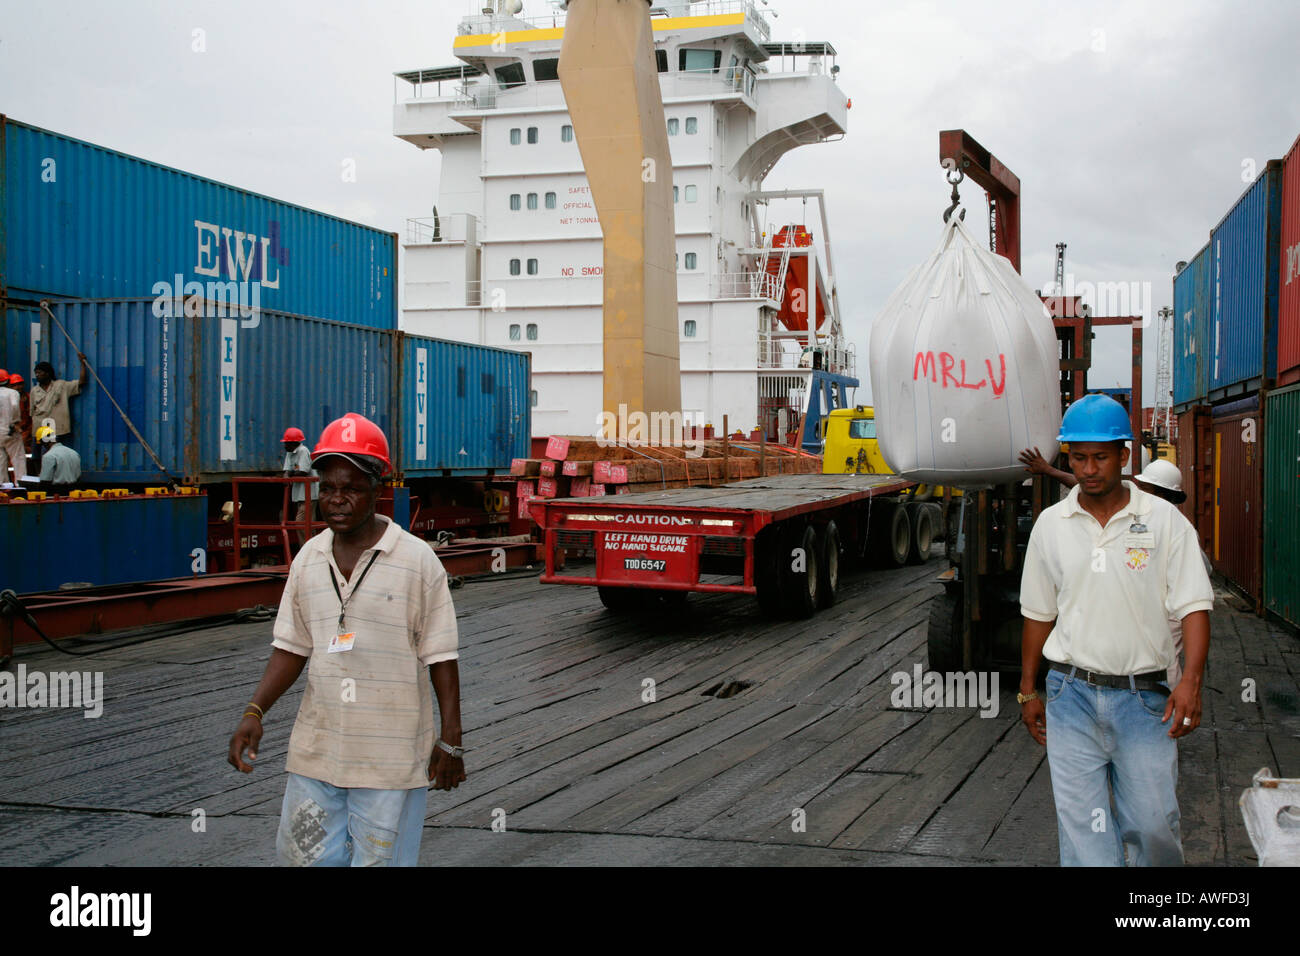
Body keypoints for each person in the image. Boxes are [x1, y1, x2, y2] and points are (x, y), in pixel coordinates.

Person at [227, 412, 465, 867]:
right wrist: (253, 712)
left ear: (378, 490)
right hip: (317, 754)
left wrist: (450, 740)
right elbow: (291, 647)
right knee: (300, 858)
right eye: (329, 488)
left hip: (390, 761)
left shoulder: (418, 562)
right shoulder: (308, 559)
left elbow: (441, 656)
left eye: (351, 489)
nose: (337, 500)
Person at [1018, 394, 1213, 867]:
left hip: (1145, 700)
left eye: (1100, 457)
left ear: (1124, 456)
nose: (1088, 469)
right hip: (1071, 696)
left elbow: (1195, 606)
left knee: (1153, 827)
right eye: (1078, 457)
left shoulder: (1165, 522)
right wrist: (1028, 690)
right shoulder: (1051, 525)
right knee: (1085, 834)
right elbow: (1038, 613)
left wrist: (1190, 680)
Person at [30, 356, 88, 451]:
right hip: (39, 428)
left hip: (56, 428)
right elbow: (32, 412)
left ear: (47, 373)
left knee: (52, 452)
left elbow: (81, 382)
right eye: (36, 373)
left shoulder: (61, 386)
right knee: (36, 455)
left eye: (39, 372)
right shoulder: (34, 391)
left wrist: (83, 364)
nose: (37, 375)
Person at [280, 426, 316, 547]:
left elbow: (303, 471)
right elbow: (286, 470)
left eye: (286, 443)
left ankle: (307, 550)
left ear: (293, 443)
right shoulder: (290, 453)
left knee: (301, 523)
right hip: (299, 495)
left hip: (309, 494)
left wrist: (289, 474)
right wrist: (287, 474)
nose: (284, 445)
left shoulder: (303, 451)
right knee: (307, 524)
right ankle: (309, 549)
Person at [35, 426, 81, 493]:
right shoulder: (74, 453)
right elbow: (78, 476)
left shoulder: (49, 456)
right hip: (74, 492)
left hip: (56, 493)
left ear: (44, 442)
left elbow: (45, 482)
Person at [0, 370, 19, 483]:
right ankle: (20, 485)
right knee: (18, 459)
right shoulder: (12, 393)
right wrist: (14, 422)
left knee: (1, 460)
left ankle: (2, 486)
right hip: (9, 430)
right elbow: (15, 405)